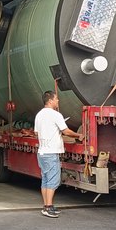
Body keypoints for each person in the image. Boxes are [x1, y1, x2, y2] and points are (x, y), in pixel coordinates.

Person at [34, 90, 83, 218]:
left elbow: (36, 133)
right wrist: (79, 135)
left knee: (45, 180)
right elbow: (66, 131)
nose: (58, 101)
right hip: (51, 153)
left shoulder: (39, 115)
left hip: (42, 152)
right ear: (50, 101)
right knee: (53, 181)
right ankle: (48, 207)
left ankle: (46, 205)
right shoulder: (56, 115)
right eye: (56, 99)